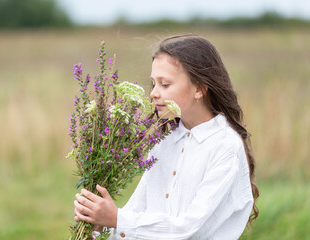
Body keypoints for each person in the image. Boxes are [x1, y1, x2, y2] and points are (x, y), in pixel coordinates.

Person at [73, 34, 259, 239]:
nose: (153, 93)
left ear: (199, 89)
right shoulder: (163, 142)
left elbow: (190, 230)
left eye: (165, 84)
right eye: (153, 83)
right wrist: (102, 226)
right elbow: (138, 218)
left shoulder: (225, 147)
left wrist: (116, 218)